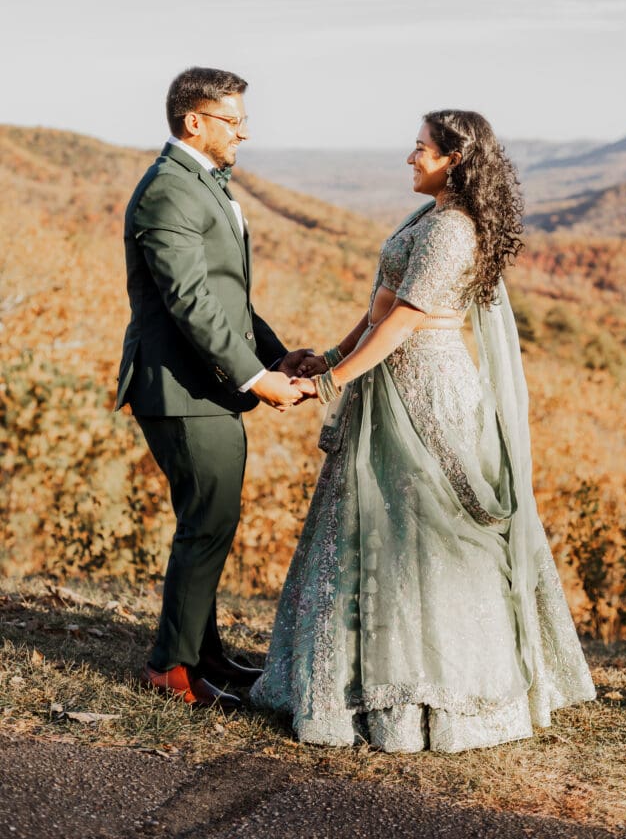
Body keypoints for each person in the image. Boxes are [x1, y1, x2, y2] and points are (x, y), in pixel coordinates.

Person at [250, 109, 596, 752]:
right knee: (370, 526)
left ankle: (429, 699)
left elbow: (407, 320)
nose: (410, 159)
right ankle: (350, 681)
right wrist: (328, 357)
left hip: (429, 394)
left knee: (426, 534)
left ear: (455, 161)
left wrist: (330, 382)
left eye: (421, 150)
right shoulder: (426, 220)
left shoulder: (453, 231)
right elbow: (380, 305)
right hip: (392, 381)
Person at [116, 67, 311, 709]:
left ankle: (206, 658)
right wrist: (257, 379)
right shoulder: (169, 192)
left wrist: (280, 358)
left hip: (205, 386)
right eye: (234, 120)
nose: (244, 133)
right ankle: (171, 670)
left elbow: (231, 298)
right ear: (194, 121)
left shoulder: (202, 185)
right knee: (206, 523)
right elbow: (192, 303)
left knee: (210, 522)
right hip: (180, 389)